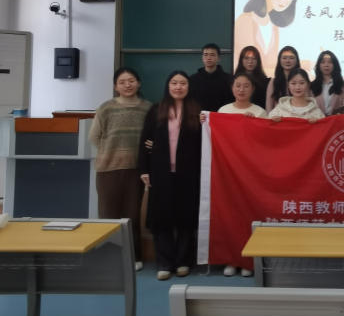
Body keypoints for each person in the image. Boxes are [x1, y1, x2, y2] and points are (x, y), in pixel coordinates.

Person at [201, 72, 267, 278]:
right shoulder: (223, 111)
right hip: (228, 173)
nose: (241, 89)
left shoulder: (260, 112)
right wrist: (206, 121)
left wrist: (253, 124)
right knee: (230, 216)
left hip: (251, 173)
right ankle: (231, 259)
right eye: (237, 85)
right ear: (231, 88)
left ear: (252, 89)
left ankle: (248, 261)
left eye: (246, 86)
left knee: (249, 215)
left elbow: (265, 143)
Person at [139, 71, 201, 281]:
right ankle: (164, 262)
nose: (178, 87)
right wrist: (144, 169)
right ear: (168, 86)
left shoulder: (197, 111)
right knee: (161, 218)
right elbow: (145, 140)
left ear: (189, 87)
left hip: (189, 173)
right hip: (161, 172)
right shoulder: (156, 110)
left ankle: (183, 261)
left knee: (186, 218)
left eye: (183, 83)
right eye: (174, 83)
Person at [89, 67, 152, 271]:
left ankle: (134, 256)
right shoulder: (106, 108)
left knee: (132, 214)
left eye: (131, 80)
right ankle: (110, 258)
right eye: (122, 82)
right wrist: (110, 151)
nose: (127, 85)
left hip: (136, 169)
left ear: (138, 83)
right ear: (116, 86)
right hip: (108, 168)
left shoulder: (148, 108)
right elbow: (94, 137)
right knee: (108, 214)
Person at [234, 0, 299, 75]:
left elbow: (269, 62)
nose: (286, 1)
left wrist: (309, 64)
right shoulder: (246, 20)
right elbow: (249, 65)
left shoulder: (273, 25)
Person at [188, 43, 233, 112]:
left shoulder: (229, 79)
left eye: (212, 55)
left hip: (221, 116)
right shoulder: (193, 79)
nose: (208, 58)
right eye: (205, 55)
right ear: (202, 57)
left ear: (219, 58)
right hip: (198, 117)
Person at [310, 51, 344, 115]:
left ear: (335, 65)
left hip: (336, 119)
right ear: (318, 65)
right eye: (323, 62)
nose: (326, 65)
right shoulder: (312, 86)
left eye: (330, 62)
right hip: (316, 119)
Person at [266, 46, 301, 112]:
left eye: (291, 58)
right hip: (277, 117)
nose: (288, 61)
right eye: (284, 58)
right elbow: (269, 107)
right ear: (279, 60)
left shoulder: (302, 81)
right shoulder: (273, 82)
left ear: (297, 60)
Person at [235, 45, 270, 110]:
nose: (250, 61)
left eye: (254, 58)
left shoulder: (265, 82)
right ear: (241, 60)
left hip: (258, 113)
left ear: (258, 61)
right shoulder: (234, 80)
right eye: (246, 58)